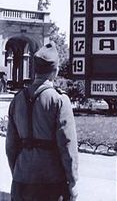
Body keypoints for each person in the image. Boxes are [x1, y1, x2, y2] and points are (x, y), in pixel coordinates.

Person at [6, 42, 78, 201]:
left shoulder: (17, 100)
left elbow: (10, 146)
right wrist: (72, 182)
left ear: (35, 70)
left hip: (21, 179)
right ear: (55, 71)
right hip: (51, 182)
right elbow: (67, 146)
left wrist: (17, 171)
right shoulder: (59, 100)